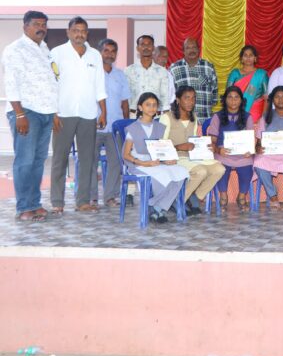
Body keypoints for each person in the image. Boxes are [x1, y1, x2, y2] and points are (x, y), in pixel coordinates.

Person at [2, 11, 58, 221]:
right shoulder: (15, 49)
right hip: (26, 112)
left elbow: (52, 82)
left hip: (45, 112)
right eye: (36, 24)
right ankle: (24, 207)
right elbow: (11, 83)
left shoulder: (44, 49)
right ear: (25, 26)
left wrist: (54, 112)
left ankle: (34, 203)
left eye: (44, 24)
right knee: (25, 161)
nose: (41, 28)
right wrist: (19, 114)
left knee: (38, 161)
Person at [50, 17, 107, 214]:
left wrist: (103, 111)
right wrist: (53, 113)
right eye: (75, 30)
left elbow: (100, 85)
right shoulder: (57, 53)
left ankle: (82, 201)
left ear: (87, 33)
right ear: (68, 32)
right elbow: (51, 85)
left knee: (87, 159)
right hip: (63, 113)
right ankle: (57, 202)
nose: (79, 34)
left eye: (83, 31)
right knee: (60, 159)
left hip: (88, 113)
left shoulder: (95, 55)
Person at [122, 92, 189, 224]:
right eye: (148, 105)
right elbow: (126, 155)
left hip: (155, 162)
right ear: (140, 107)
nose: (151, 108)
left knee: (180, 172)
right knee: (162, 176)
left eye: (154, 105)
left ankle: (156, 206)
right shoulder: (133, 128)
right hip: (138, 164)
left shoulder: (159, 127)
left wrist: (167, 159)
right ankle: (157, 210)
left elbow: (160, 149)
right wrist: (144, 163)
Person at [159, 85, 225, 216]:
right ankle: (177, 201)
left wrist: (204, 147)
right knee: (200, 171)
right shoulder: (167, 117)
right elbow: (160, 146)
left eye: (193, 98)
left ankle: (195, 197)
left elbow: (193, 142)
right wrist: (179, 147)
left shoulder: (193, 117)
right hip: (174, 158)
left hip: (190, 157)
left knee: (219, 169)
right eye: (187, 98)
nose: (191, 102)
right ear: (178, 100)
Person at [94, 38, 130, 208]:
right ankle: (91, 197)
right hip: (93, 125)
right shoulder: (92, 73)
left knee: (116, 162)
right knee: (91, 162)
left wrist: (125, 126)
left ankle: (110, 197)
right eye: (106, 50)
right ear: (99, 52)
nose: (109, 54)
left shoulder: (120, 75)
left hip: (115, 126)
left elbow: (125, 102)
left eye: (113, 51)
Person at [208, 86, 256, 212]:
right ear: (225, 100)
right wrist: (218, 150)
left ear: (241, 100)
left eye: (236, 97)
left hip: (242, 153)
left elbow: (251, 139)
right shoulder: (217, 116)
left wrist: (249, 150)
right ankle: (223, 196)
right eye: (230, 97)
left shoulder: (247, 117)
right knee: (220, 168)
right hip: (223, 152)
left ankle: (241, 196)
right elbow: (212, 141)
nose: (233, 100)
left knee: (247, 166)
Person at [169, 37, 218, 120]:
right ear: (183, 51)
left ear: (198, 49)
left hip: (205, 118)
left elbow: (214, 94)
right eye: (188, 48)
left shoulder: (208, 67)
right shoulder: (174, 69)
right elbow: (170, 96)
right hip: (182, 120)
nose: (191, 50)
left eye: (194, 47)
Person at [125, 34, 170, 113]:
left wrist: (166, 116)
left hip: (156, 115)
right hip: (134, 115)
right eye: (142, 44)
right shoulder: (129, 71)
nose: (146, 47)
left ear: (153, 48)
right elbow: (125, 97)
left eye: (149, 44)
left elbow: (165, 97)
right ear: (137, 48)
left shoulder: (162, 71)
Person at [226, 45, 268, 123]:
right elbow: (227, 95)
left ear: (255, 58)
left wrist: (263, 118)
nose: (248, 58)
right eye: (245, 55)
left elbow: (267, 98)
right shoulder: (235, 73)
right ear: (241, 59)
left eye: (251, 55)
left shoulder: (261, 74)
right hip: (236, 112)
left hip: (256, 114)